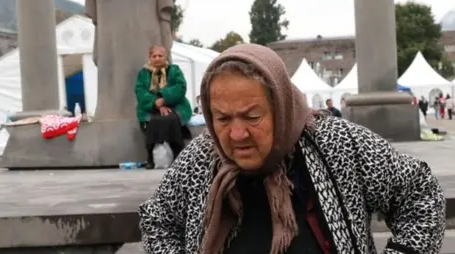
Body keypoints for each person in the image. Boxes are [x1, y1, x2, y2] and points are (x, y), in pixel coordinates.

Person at [139, 44, 445, 253]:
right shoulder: (201, 158)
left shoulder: (336, 143)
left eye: (252, 116)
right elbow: (158, 219)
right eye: (222, 118)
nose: (236, 133)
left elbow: (419, 192)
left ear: (281, 107)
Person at [135, 45, 192, 169]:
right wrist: (156, 103)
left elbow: (181, 87)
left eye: (160, 56)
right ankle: (151, 156)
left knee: (170, 119)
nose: (157, 58)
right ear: (150, 58)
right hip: (150, 108)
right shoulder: (143, 73)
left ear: (165, 57)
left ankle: (178, 154)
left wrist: (164, 98)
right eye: (154, 56)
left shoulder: (174, 70)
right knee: (154, 120)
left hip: (175, 105)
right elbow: (140, 92)